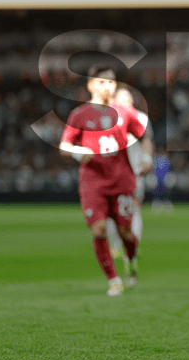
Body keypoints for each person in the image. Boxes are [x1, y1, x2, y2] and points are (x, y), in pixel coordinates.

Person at [59, 64, 153, 296]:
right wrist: (76, 153)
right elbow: (64, 145)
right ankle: (113, 279)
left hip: (122, 181)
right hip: (93, 182)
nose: (107, 86)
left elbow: (144, 137)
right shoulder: (79, 115)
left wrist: (147, 158)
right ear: (91, 85)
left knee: (125, 234)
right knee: (99, 229)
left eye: (111, 82)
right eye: (102, 82)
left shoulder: (125, 112)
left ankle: (131, 259)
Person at [105, 87, 154, 273]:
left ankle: (131, 247)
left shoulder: (140, 118)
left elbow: (148, 142)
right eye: (122, 98)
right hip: (111, 173)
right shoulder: (107, 118)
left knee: (133, 210)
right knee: (111, 213)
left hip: (133, 172)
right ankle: (118, 244)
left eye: (129, 98)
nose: (126, 102)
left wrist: (147, 161)